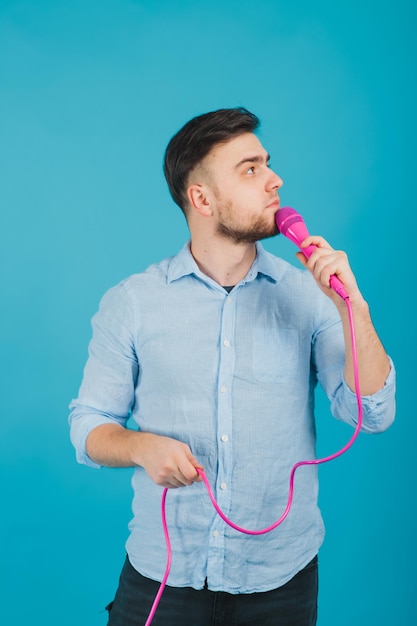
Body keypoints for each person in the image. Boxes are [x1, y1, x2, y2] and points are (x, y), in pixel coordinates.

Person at [69, 107, 396, 626]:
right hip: (162, 579)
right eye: (250, 169)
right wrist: (139, 446)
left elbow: (372, 414)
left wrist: (355, 311)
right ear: (201, 198)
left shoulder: (310, 298)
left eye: (267, 163)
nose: (275, 180)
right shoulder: (131, 302)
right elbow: (87, 426)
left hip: (280, 583)